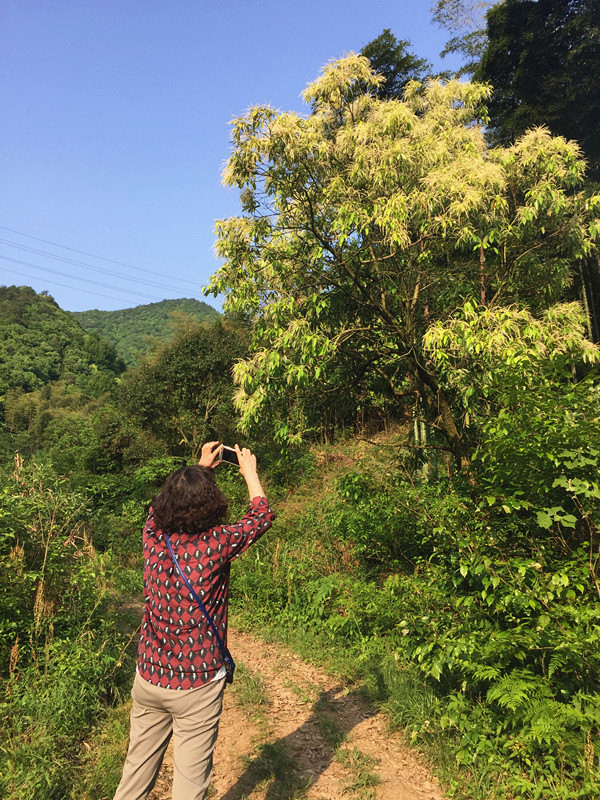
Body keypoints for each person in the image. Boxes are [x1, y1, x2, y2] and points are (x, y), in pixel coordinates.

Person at [114, 441, 275, 800]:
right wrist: (249, 473)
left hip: (150, 676)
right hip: (197, 684)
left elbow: (158, 509)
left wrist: (199, 468)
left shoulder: (152, 537)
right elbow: (260, 516)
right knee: (189, 785)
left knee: (134, 775)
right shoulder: (215, 544)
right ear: (212, 505)